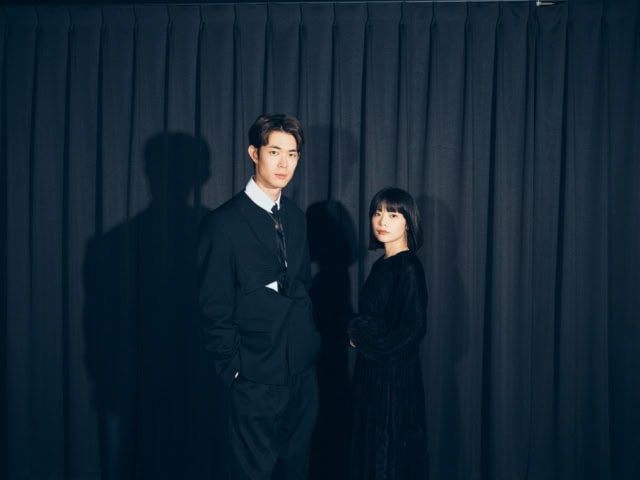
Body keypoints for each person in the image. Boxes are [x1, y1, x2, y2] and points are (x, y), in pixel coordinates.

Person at [197, 114, 321, 479]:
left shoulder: (296, 217)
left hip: (302, 375)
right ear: (255, 153)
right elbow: (213, 306)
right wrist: (234, 371)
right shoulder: (222, 224)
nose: (284, 164)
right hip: (253, 376)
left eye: (292, 155)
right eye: (274, 152)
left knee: (296, 471)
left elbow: (302, 286)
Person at [348, 187, 429, 479]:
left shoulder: (408, 267)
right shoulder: (382, 265)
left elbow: (412, 330)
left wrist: (358, 332)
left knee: (389, 457)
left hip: (394, 381)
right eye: (377, 213)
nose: (382, 221)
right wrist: (360, 330)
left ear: (408, 222)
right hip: (373, 374)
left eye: (393, 215)